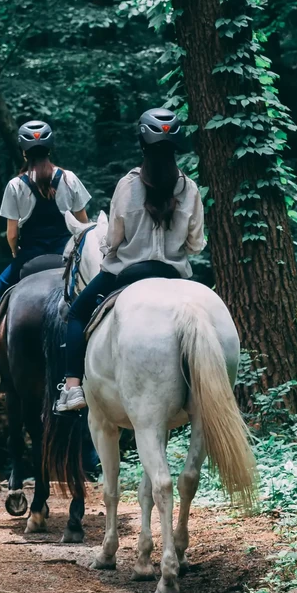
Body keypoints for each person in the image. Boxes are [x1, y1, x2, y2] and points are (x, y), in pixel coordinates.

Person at [56, 108, 206, 412]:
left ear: (142, 144)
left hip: (127, 274)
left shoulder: (128, 185)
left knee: (76, 314)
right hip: (175, 276)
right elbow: (196, 244)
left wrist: (111, 248)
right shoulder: (189, 188)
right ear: (176, 146)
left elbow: (113, 240)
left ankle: (72, 387)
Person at [0, 120, 92, 391]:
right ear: (50, 148)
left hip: (29, 258)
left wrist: (17, 253)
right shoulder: (69, 178)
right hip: (66, 260)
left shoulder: (15, 185)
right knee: (93, 302)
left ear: (24, 151)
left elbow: (12, 233)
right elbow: (84, 225)